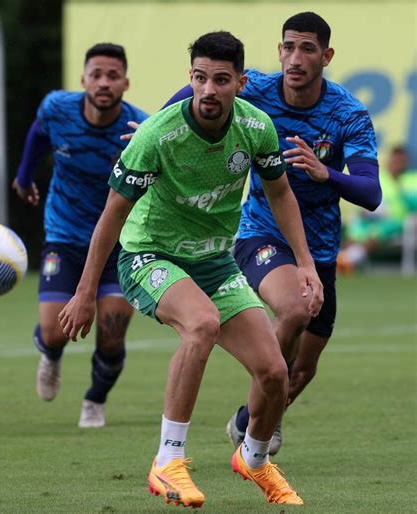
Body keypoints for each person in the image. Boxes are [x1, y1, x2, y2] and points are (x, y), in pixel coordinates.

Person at [59, 31, 323, 507]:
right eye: (200, 78)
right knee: (200, 325)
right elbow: (113, 214)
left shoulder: (256, 128)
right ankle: (168, 462)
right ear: (191, 79)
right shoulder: (157, 135)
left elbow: (281, 193)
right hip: (149, 255)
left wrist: (306, 265)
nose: (208, 90)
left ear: (240, 83)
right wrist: (83, 293)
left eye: (220, 80)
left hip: (215, 263)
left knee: (274, 372)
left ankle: (255, 459)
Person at [162, 11, 381, 456]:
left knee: (301, 371)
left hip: (319, 246)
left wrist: (327, 173)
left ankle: (251, 418)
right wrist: (155, 128)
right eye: (288, 47)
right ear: (278, 50)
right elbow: (193, 94)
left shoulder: (347, 114)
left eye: (307, 48)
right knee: (297, 310)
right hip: (259, 232)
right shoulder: (255, 87)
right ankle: (259, 426)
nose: (294, 58)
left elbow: (371, 191)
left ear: (327, 56)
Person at [12, 43, 148, 428]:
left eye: (113, 76)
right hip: (66, 232)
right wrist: (24, 178)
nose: (104, 83)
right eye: (97, 75)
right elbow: (39, 135)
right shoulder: (58, 109)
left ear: (126, 82)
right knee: (55, 331)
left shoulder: (138, 129)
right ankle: (51, 355)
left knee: (111, 334)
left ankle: (95, 400)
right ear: (83, 79)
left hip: (120, 242)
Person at [338, 145, 412, 271]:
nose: (397, 164)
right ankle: (346, 260)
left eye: (401, 161)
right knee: (354, 229)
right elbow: (366, 198)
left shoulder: (412, 180)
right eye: (395, 160)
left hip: (396, 222)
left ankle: (346, 261)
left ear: (406, 162)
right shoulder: (380, 178)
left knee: (375, 233)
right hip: (371, 218)